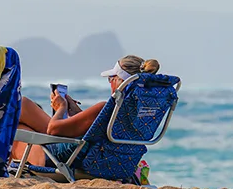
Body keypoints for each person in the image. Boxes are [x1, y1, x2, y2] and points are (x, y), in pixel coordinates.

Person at [12, 55, 161, 168]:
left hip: (65, 159)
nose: (110, 82)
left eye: (111, 78)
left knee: (20, 122)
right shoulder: (141, 113)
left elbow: (53, 130)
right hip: (112, 163)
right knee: (22, 121)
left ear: (121, 81)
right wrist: (77, 112)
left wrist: (61, 107)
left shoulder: (106, 108)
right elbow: (98, 131)